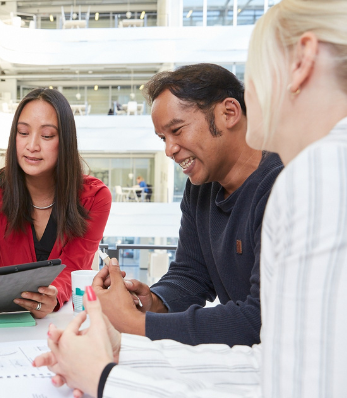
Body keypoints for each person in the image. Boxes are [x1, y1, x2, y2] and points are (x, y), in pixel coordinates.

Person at [36, 0, 347, 398]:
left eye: (257, 77)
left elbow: (268, 356)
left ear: (300, 62)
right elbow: (197, 281)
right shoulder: (207, 188)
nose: (169, 150)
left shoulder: (311, 175)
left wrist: (130, 342)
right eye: (162, 137)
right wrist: (147, 310)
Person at [99, 64, 283, 347]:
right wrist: (153, 301)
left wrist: (138, 324)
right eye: (163, 138)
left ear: (229, 113)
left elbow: (261, 319)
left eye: (176, 130)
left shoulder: (280, 186)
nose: (169, 149)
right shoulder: (200, 190)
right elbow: (191, 274)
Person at [0, 88, 111, 318]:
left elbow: (75, 266)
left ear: (64, 141)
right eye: (23, 132)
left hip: (61, 324)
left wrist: (53, 295)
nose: (32, 145)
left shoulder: (94, 197)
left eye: (46, 136)